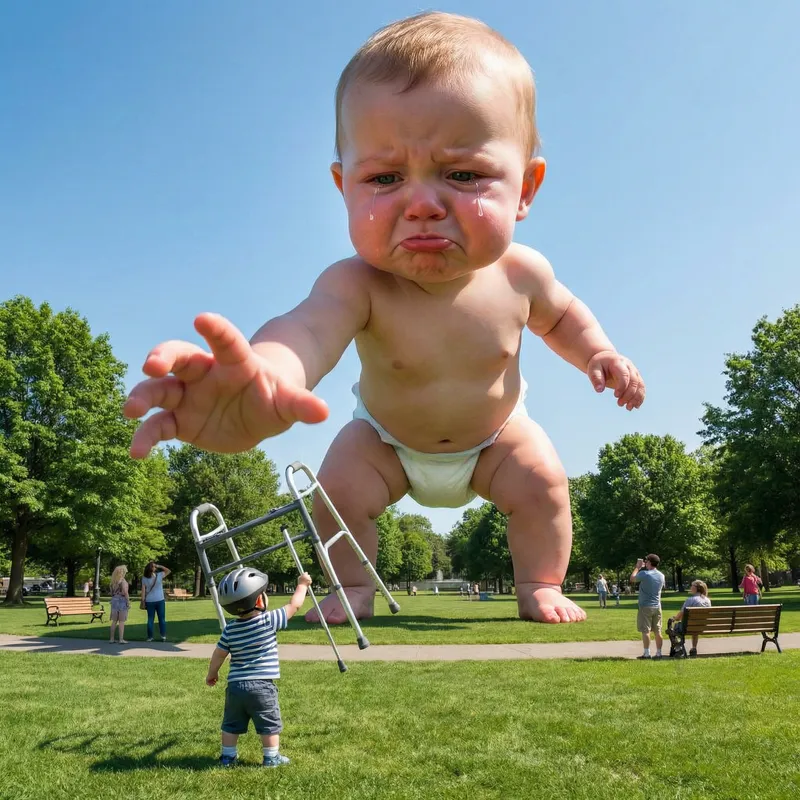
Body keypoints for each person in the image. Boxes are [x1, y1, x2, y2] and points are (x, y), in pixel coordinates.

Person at [124, 11, 645, 627]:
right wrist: (265, 371)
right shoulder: (357, 282)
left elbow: (563, 319)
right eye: (385, 177)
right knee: (335, 491)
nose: (422, 203)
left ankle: (538, 583)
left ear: (526, 187)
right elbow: (308, 330)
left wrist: (599, 353)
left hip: (496, 438)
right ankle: (354, 588)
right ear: (344, 186)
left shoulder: (521, 273)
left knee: (544, 484)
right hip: (385, 443)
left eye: (463, 174)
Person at [206, 568, 312, 768]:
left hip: (235, 687)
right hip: (262, 686)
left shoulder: (230, 628)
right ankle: (271, 757)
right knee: (269, 723)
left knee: (231, 723)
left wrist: (212, 673)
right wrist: (302, 584)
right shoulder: (268, 620)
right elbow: (294, 605)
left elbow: (219, 654)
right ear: (259, 601)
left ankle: (228, 757)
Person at [630, 554, 666, 659]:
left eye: (646, 561)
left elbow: (632, 579)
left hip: (645, 606)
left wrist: (637, 567)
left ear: (649, 562)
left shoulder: (645, 574)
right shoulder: (661, 575)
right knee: (657, 631)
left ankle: (647, 653)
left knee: (645, 631)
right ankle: (659, 653)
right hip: (657, 606)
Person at [668, 580, 711, 657]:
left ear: (696, 588)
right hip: (702, 626)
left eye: (692, 586)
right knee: (694, 628)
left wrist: (675, 618)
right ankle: (694, 648)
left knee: (674, 628)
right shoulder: (707, 600)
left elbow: (680, 616)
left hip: (688, 627)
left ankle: (678, 648)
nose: (690, 587)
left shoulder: (690, 600)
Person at [141, 561, 171, 642]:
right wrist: (160, 565)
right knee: (162, 619)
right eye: (154, 566)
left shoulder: (144, 578)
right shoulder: (159, 575)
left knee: (150, 619)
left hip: (149, 601)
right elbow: (168, 571)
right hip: (160, 600)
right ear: (152, 569)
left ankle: (150, 637)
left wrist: (143, 601)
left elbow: (143, 591)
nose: (155, 567)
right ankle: (163, 636)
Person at [108, 565, 131, 643]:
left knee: (114, 621)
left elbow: (111, 593)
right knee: (121, 621)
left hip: (114, 600)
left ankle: (111, 639)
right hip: (122, 601)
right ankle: (121, 639)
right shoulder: (123, 581)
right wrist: (128, 601)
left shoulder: (113, 582)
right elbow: (125, 592)